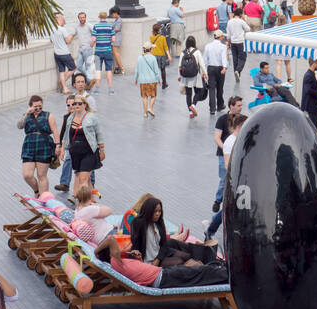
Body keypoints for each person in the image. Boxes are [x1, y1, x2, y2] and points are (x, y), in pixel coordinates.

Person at [95, 235, 228, 289]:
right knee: (198, 272)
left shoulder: (118, 262)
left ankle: (223, 273)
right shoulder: (115, 261)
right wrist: (96, 251)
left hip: (161, 274)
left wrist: (138, 259)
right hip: (162, 277)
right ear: (110, 252)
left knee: (197, 272)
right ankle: (227, 273)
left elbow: (139, 270)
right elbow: (111, 239)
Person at [130, 197, 217, 264]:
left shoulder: (159, 223)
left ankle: (203, 259)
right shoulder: (138, 223)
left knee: (187, 256)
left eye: (159, 211)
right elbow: (135, 243)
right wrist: (136, 252)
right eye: (155, 211)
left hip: (160, 253)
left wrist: (158, 258)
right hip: (149, 259)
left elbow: (163, 244)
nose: (157, 214)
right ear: (148, 210)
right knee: (179, 261)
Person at [204, 115, 247, 241]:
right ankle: (211, 226)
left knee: (234, 206)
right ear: (240, 126)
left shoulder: (239, 139)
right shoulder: (230, 141)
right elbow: (227, 163)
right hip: (235, 180)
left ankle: (212, 225)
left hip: (240, 178)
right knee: (230, 207)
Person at [55, 77, 99, 192]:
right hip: (73, 143)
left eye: (82, 82)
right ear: (74, 84)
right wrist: (61, 146)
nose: (75, 106)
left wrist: (100, 147)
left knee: (85, 173)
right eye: (78, 82)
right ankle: (66, 184)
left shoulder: (90, 100)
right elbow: (65, 130)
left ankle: (87, 189)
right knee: (77, 172)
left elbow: (95, 125)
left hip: (87, 144)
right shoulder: (71, 107)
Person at [18, 94, 60, 197]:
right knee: (27, 175)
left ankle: (44, 198)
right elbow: (19, 126)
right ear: (30, 106)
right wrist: (26, 113)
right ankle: (37, 191)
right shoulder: (27, 116)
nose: (38, 108)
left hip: (44, 145)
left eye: (40, 106)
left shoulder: (48, 115)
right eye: (35, 106)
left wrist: (58, 145)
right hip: (29, 145)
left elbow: (55, 131)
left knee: (42, 175)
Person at [213, 96, 244, 210]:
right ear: (231, 106)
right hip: (224, 155)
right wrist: (226, 148)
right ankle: (218, 200)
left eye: (241, 105)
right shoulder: (222, 119)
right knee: (224, 178)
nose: (241, 108)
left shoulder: (242, 120)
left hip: (237, 154)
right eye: (238, 105)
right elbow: (217, 138)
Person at [179, 35, 206, 119]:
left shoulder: (183, 53)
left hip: (186, 77)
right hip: (195, 75)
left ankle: (190, 112)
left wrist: (179, 76)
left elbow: (180, 65)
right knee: (199, 91)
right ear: (194, 43)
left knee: (188, 94)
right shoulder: (197, 52)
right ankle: (193, 105)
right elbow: (201, 64)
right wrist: (205, 73)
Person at [203, 30, 228, 115]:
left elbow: (205, 60)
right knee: (220, 88)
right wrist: (224, 67)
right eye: (222, 36)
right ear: (220, 37)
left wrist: (204, 71)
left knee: (212, 89)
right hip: (220, 69)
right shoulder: (223, 47)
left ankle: (212, 109)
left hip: (210, 68)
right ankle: (220, 105)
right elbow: (224, 57)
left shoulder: (207, 46)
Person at [50, 13, 76, 93]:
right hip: (64, 53)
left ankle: (64, 88)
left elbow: (51, 40)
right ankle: (62, 82)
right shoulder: (62, 29)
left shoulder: (51, 29)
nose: (64, 21)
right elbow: (68, 41)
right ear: (59, 20)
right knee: (73, 68)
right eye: (63, 19)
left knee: (62, 71)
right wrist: (71, 35)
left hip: (56, 53)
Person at [92, 10, 116, 93]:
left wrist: (91, 44)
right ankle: (110, 88)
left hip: (98, 51)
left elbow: (94, 39)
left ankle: (97, 88)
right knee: (108, 70)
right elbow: (113, 39)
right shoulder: (110, 26)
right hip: (108, 51)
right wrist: (108, 41)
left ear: (99, 17)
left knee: (98, 70)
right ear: (106, 17)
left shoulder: (96, 26)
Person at [135, 42, 161, 118]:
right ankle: (150, 108)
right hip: (152, 80)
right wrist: (159, 79)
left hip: (143, 81)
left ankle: (145, 113)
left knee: (145, 97)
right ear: (150, 49)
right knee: (153, 96)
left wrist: (136, 79)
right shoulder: (153, 58)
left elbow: (137, 70)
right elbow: (156, 70)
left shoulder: (140, 58)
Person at [301, 58, 317, 133]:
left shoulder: (310, 75)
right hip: (311, 109)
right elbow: (308, 90)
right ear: (314, 63)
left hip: (313, 109)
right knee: (315, 130)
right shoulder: (308, 75)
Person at [227, 6, 248, 83]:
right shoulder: (241, 21)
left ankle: (237, 74)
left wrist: (228, 43)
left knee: (235, 59)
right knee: (242, 57)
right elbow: (248, 29)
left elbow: (228, 34)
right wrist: (244, 20)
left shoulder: (230, 21)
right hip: (240, 42)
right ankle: (238, 71)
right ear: (240, 14)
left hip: (233, 42)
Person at [150, 23, 170, 91]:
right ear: (159, 30)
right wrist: (169, 56)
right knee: (162, 70)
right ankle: (164, 84)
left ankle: (153, 84)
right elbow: (166, 47)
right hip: (161, 56)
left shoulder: (151, 37)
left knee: (154, 71)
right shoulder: (163, 38)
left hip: (153, 55)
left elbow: (152, 47)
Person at [74, 11, 95, 79]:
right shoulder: (77, 27)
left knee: (88, 66)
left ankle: (89, 81)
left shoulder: (89, 25)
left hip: (88, 49)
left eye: (83, 17)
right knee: (79, 66)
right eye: (80, 18)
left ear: (85, 18)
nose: (82, 19)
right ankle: (90, 78)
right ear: (78, 19)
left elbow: (96, 33)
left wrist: (93, 41)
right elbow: (73, 34)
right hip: (80, 50)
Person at [109, 7, 124, 74]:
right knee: (116, 53)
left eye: (112, 14)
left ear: (115, 13)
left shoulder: (119, 20)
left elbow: (117, 29)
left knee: (116, 53)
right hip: (115, 38)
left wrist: (109, 31)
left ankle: (121, 68)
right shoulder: (117, 20)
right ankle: (119, 67)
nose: (112, 15)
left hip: (116, 38)